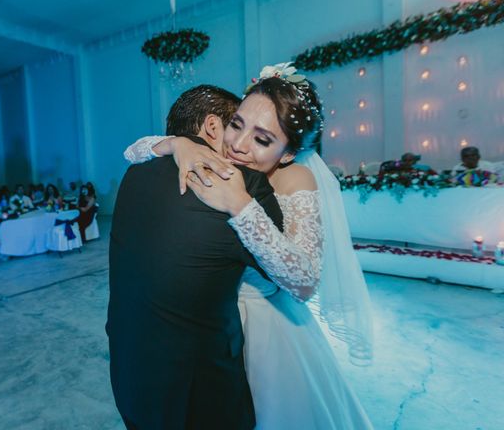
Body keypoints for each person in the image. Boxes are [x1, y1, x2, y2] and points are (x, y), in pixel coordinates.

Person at [125, 63, 373, 429]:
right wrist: (178, 145)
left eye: (262, 139)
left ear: (288, 153)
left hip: (268, 329)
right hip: (212, 325)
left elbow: (304, 281)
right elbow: (132, 152)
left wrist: (240, 205)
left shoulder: (296, 177)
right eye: (236, 124)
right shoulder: (219, 156)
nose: (238, 146)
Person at [108, 84, 285, 430]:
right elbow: (278, 274)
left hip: (129, 373)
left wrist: (176, 143)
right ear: (212, 127)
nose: (240, 145)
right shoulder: (242, 183)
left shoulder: (134, 174)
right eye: (235, 124)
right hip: (198, 392)